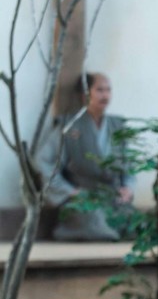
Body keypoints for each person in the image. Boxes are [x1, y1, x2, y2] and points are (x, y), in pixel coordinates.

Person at [37, 72, 134, 241]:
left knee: (138, 224)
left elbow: (129, 166)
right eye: (100, 90)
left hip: (110, 196)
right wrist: (70, 191)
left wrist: (128, 188)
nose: (105, 95)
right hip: (82, 197)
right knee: (94, 218)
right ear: (85, 94)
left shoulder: (117, 126)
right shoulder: (69, 126)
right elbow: (43, 161)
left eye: (108, 90)